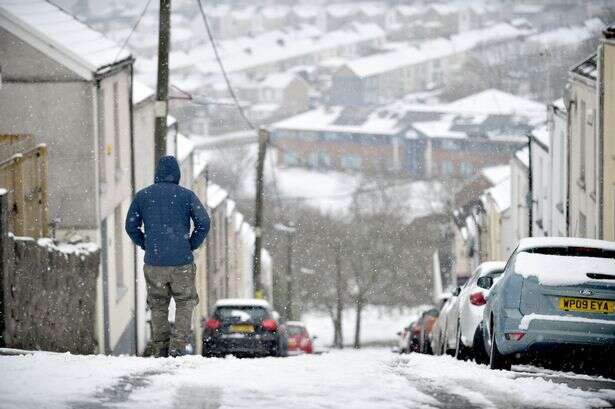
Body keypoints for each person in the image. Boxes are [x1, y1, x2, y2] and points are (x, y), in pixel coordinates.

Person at [125, 155, 210, 357]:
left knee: (157, 304)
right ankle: (178, 347)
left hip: (154, 263)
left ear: (157, 174)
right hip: (182, 262)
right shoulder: (186, 196)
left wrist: (146, 243)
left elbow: (130, 226)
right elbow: (204, 223)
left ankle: (160, 347)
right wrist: (191, 244)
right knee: (185, 302)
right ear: (177, 175)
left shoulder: (143, 196)